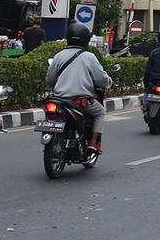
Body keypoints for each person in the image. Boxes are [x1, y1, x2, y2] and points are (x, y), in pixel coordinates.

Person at [47, 21, 113, 153]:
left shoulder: (59, 55)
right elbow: (101, 79)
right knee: (100, 112)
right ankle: (93, 143)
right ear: (86, 40)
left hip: (59, 100)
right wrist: (109, 82)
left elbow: (50, 79)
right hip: (79, 101)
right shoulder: (89, 57)